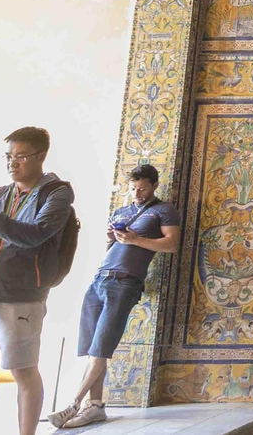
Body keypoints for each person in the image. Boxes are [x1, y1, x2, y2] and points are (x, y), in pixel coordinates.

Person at [0, 127, 75, 435]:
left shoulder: (57, 194)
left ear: (40, 156)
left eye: (21, 156)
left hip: (21, 294)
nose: (13, 163)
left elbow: (34, 236)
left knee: (23, 371)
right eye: (9, 156)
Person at [50, 165, 181, 430]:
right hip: (99, 279)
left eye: (143, 188)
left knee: (102, 347)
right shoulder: (122, 211)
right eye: (133, 188)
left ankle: (74, 404)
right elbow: (112, 248)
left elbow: (171, 244)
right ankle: (96, 406)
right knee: (90, 348)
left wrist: (134, 240)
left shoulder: (163, 210)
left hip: (125, 282)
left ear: (154, 185)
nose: (138, 193)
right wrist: (112, 238)